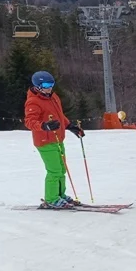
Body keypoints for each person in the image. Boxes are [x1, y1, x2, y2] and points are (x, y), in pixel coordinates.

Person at [23, 71, 85, 208]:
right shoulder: (33, 102)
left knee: (62, 169)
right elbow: (29, 121)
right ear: (37, 86)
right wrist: (44, 126)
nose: (49, 88)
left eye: (51, 84)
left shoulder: (53, 97)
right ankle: (51, 199)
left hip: (58, 138)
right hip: (45, 141)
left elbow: (59, 115)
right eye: (45, 85)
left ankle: (59, 194)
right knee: (54, 170)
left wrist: (70, 126)